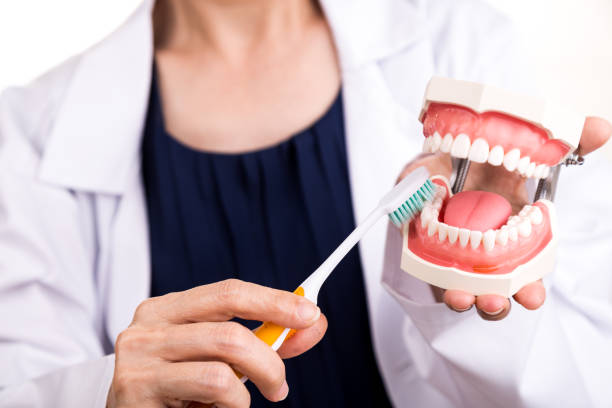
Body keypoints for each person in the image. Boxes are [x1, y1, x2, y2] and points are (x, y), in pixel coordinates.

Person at [0, 0, 611, 406]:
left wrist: (456, 270)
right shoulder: (28, 135)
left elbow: (583, 381)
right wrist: (103, 394)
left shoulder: (461, 42)